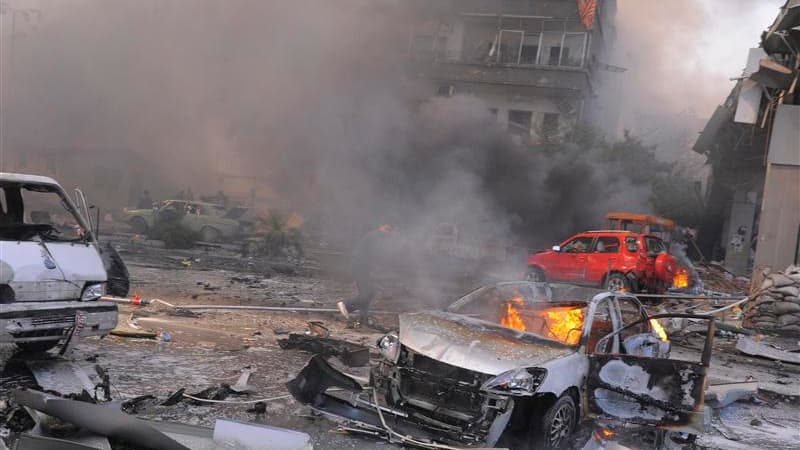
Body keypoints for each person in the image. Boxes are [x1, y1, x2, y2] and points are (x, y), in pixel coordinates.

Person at [338, 224, 394, 324]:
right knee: (368, 293)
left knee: (368, 293)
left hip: (363, 268)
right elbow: (374, 254)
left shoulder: (378, 238)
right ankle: (346, 305)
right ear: (380, 226)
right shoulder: (374, 237)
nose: (388, 232)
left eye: (390, 230)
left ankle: (363, 317)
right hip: (359, 267)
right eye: (387, 229)